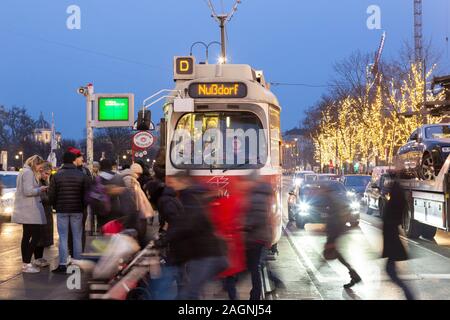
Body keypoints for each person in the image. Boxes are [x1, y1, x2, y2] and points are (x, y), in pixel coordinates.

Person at [165, 172, 228, 300]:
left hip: (205, 253)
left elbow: (187, 223)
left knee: (189, 293)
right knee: (192, 291)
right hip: (202, 252)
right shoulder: (192, 194)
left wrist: (167, 237)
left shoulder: (189, 197)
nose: (172, 185)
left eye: (174, 182)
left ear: (183, 182)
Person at [49, 150, 91, 273]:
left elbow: (52, 195)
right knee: (77, 237)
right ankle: (76, 264)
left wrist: (55, 205)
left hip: (62, 210)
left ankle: (62, 264)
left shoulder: (56, 175)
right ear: (74, 160)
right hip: (77, 210)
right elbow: (86, 194)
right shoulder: (82, 175)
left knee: (63, 237)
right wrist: (83, 206)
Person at [11, 155, 47, 273]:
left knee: (27, 236)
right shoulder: (28, 173)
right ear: (34, 164)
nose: (40, 169)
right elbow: (28, 191)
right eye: (39, 166)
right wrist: (40, 189)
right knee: (36, 236)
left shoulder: (24, 171)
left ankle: (25, 263)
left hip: (26, 209)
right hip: (30, 210)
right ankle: (26, 264)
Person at [321, 184, 362, 288]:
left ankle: (354, 274)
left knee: (330, 253)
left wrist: (331, 232)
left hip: (334, 231)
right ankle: (354, 275)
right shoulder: (332, 200)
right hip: (335, 231)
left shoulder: (332, 200)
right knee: (336, 254)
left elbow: (334, 217)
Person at [382, 176, 415, 300]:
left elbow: (390, 223)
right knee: (390, 271)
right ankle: (409, 296)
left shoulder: (395, 203)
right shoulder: (396, 202)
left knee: (390, 271)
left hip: (392, 242)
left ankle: (410, 296)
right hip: (392, 241)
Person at [241, 173, 273, 300]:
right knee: (254, 266)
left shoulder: (256, 197)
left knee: (254, 267)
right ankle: (256, 293)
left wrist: (245, 226)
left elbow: (256, 218)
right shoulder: (259, 195)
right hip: (259, 236)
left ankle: (255, 295)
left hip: (257, 237)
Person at [209, 192, 246, 300]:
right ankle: (231, 293)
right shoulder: (232, 202)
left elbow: (214, 223)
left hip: (222, 245)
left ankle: (232, 295)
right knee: (229, 272)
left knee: (225, 271)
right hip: (230, 244)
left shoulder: (215, 206)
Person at [121, 163, 154, 247]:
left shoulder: (132, 179)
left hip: (135, 211)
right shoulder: (129, 180)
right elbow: (131, 197)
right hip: (134, 211)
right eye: (138, 173)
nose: (139, 175)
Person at [33, 161, 54, 268]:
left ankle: (40, 257)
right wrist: (51, 198)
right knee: (39, 237)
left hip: (45, 211)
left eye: (49, 174)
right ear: (41, 171)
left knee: (43, 237)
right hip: (40, 212)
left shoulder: (44, 181)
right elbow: (42, 197)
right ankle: (37, 258)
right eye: (46, 173)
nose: (47, 176)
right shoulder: (37, 182)